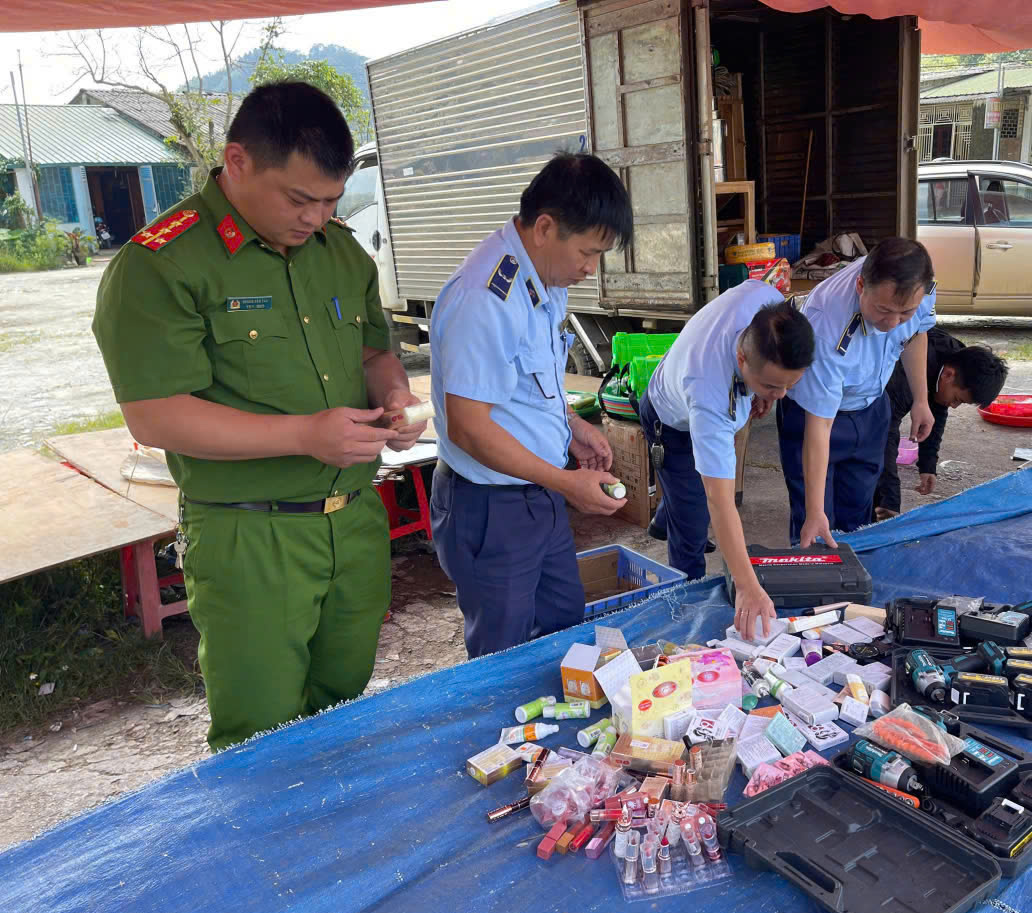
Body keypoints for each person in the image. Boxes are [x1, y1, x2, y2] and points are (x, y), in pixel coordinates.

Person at [92, 82, 425, 751]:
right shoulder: (162, 263)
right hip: (251, 535)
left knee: (342, 704)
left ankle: (331, 837)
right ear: (237, 162)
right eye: (299, 199)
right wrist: (304, 435)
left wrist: (396, 399)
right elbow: (156, 416)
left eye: (330, 201)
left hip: (354, 519)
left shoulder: (339, 250)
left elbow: (372, 347)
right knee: (261, 737)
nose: (315, 217)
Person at [430, 152, 632, 659]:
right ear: (545, 227)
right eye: (587, 252)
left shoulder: (543, 279)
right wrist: (566, 482)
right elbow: (469, 428)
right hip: (490, 505)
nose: (591, 268)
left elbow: (522, 385)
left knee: (563, 625)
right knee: (504, 651)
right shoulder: (485, 296)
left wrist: (571, 425)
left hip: (536, 491)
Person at [640, 282, 816, 638]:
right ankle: (686, 609)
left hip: (698, 393)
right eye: (771, 385)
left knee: (687, 502)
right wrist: (748, 586)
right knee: (693, 526)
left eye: (788, 386)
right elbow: (721, 502)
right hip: (671, 425)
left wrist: (763, 390)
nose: (780, 395)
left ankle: (669, 511)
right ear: (741, 359)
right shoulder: (709, 392)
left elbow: (767, 371)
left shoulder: (768, 308)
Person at [777, 237, 937, 546]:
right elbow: (819, 426)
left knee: (858, 518)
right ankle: (813, 585)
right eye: (884, 310)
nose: (892, 323)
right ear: (861, 285)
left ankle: (852, 586)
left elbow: (916, 334)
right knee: (816, 523)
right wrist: (814, 511)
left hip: (872, 407)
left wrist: (921, 399)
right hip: (816, 417)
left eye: (904, 312)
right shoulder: (825, 326)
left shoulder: (921, 286)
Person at [873, 329, 1008, 520]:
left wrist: (928, 465)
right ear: (948, 375)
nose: (953, 406)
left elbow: (937, 410)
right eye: (957, 399)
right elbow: (884, 435)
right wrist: (889, 499)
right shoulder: (903, 379)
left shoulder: (955, 360)